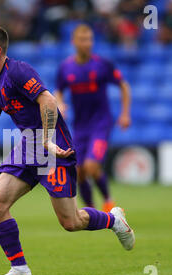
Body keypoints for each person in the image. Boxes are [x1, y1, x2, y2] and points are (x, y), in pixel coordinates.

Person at [0, 26, 135, 275]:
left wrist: (46, 139)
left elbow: (48, 101)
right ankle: (20, 269)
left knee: (71, 221)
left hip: (53, 145)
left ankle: (114, 220)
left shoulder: (18, 71)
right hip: (29, 145)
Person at [55, 23, 131, 213]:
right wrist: (60, 103)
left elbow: (123, 86)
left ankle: (108, 201)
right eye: (83, 40)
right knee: (79, 172)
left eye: (89, 39)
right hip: (80, 126)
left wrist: (125, 113)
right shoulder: (66, 67)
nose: (87, 43)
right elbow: (58, 91)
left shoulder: (102, 65)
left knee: (91, 166)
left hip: (101, 123)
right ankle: (91, 211)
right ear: (74, 42)